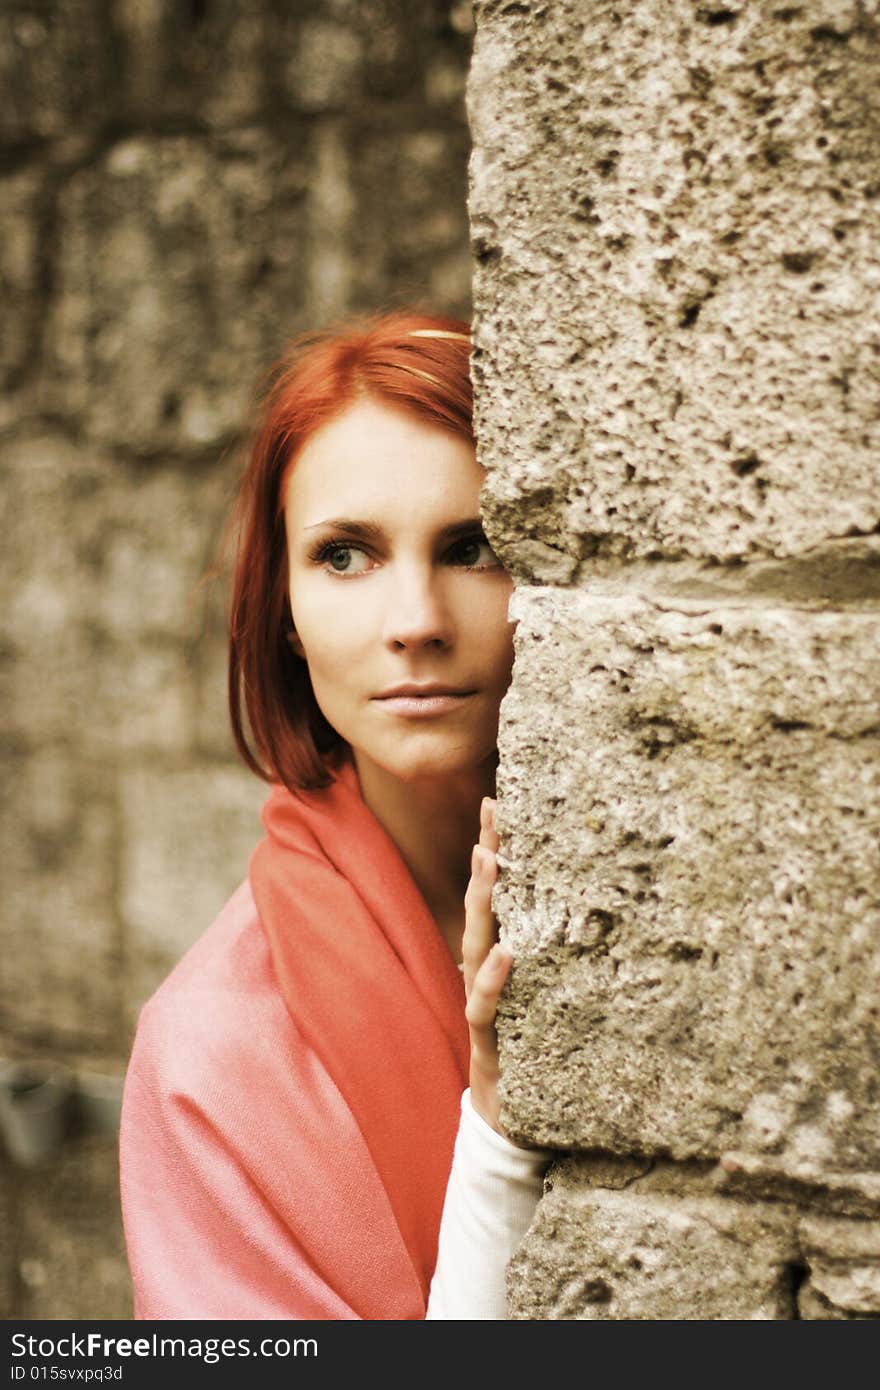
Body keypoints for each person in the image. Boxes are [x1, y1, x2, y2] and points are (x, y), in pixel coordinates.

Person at [119, 310, 550, 1320]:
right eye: (346, 555)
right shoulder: (211, 1054)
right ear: (283, 615)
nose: (416, 623)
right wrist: (495, 1127)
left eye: (472, 545)